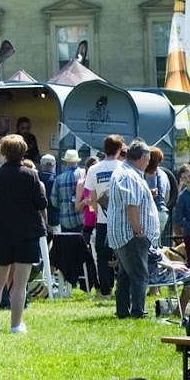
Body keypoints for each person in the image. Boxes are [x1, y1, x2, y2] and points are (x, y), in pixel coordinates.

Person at [0, 134, 48, 334]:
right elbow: (41, 203)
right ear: (23, 151)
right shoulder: (31, 175)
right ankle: (16, 325)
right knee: (20, 283)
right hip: (26, 234)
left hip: (1, 234)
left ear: (4, 153)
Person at [108, 139, 158, 320]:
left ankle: (123, 311)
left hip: (121, 233)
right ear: (143, 158)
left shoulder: (125, 172)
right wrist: (139, 232)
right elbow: (131, 205)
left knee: (125, 275)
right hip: (130, 234)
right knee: (139, 274)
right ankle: (138, 312)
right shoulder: (130, 175)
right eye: (149, 159)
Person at [81, 136, 127, 300]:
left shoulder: (94, 169)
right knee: (123, 256)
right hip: (122, 220)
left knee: (102, 256)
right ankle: (121, 289)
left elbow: (91, 199)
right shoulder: (124, 168)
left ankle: (105, 291)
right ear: (119, 149)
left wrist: (95, 212)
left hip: (102, 220)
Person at [51, 149, 85, 234]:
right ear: (77, 162)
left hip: (65, 220)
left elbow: (54, 201)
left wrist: (64, 205)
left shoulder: (58, 179)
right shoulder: (83, 174)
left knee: (67, 246)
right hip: (81, 218)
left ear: (65, 163)